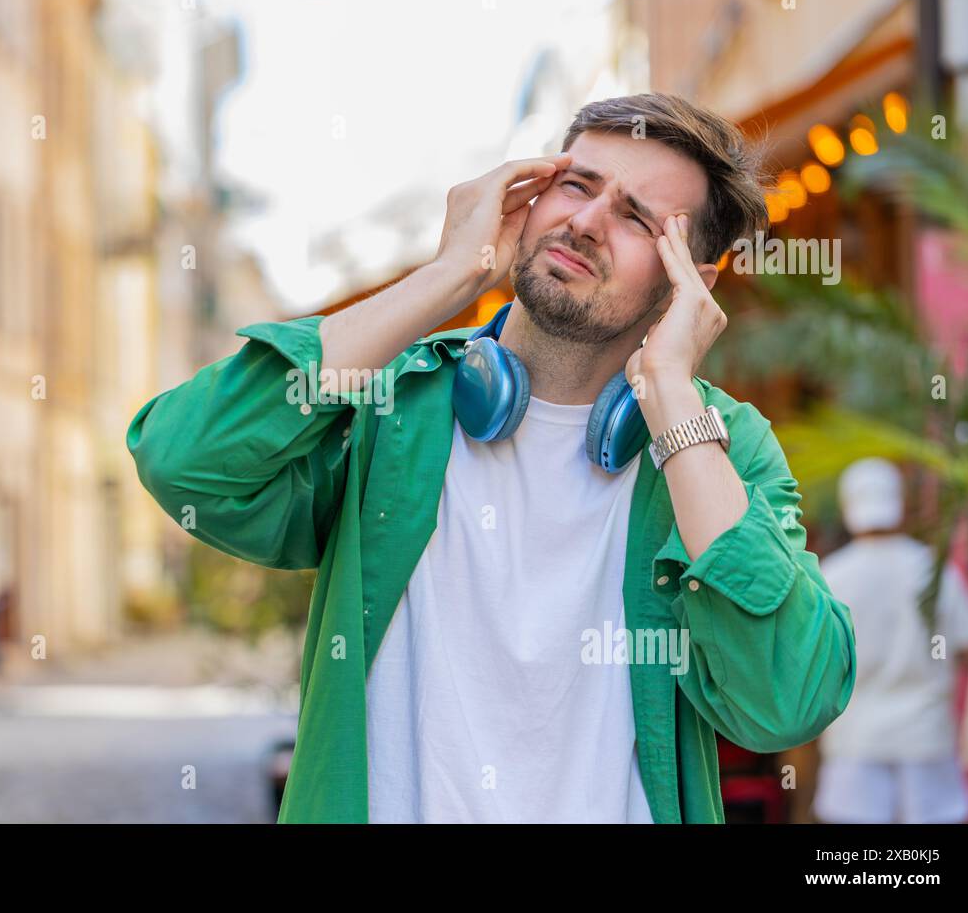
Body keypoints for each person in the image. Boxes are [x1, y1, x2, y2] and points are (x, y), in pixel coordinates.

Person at [128, 93, 857, 823]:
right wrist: (449, 277)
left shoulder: (718, 444)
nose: (586, 221)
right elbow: (183, 460)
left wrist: (672, 398)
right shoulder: (390, 406)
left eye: (636, 217)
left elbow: (786, 703)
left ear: (689, 279)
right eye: (576, 184)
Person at [813, 458, 968, 824]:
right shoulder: (932, 569)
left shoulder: (831, 577)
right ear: (901, 505)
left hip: (855, 741)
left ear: (848, 507)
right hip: (926, 738)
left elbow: (813, 659)